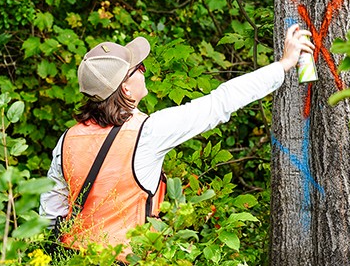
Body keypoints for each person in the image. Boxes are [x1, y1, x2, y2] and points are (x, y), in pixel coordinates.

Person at [39, 24, 315, 262]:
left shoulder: (67, 140)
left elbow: (50, 214)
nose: (144, 72)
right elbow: (220, 102)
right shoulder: (148, 133)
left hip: (73, 258)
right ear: (125, 88)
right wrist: (284, 64)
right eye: (140, 68)